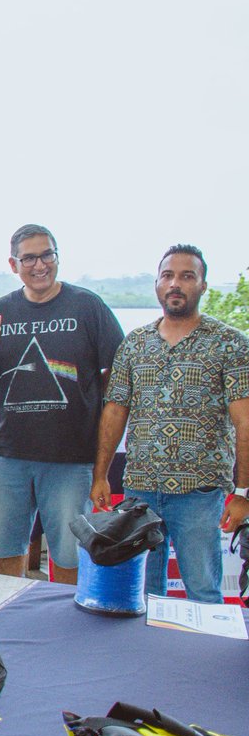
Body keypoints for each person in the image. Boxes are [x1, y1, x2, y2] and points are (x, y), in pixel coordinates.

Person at [0, 224, 123, 585]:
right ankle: (9, 627)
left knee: (69, 555)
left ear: (57, 256)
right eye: (29, 258)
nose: (40, 265)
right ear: (13, 264)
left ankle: (64, 632)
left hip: (71, 458)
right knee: (6, 552)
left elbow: (117, 373)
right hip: (10, 456)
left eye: (47, 255)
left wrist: (92, 405)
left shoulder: (88, 307)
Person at [92, 244, 249, 602]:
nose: (175, 283)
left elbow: (245, 424)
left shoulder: (230, 344)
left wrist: (242, 494)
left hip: (199, 493)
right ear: (158, 284)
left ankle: (206, 658)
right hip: (140, 492)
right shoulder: (134, 345)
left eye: (187, 276)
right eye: (168, 275)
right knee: (142, 594)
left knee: (203, 591)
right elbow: (115, 411)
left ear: (203, 286)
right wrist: (100, 474)